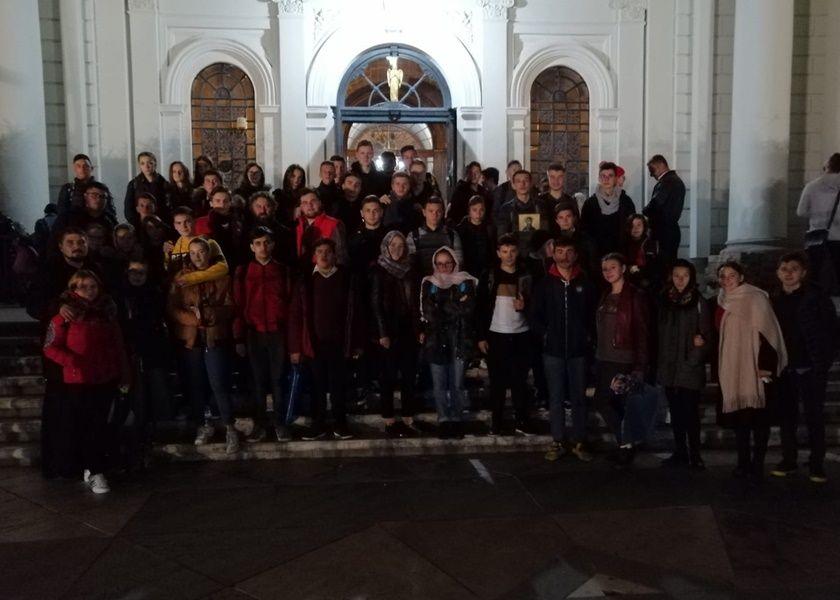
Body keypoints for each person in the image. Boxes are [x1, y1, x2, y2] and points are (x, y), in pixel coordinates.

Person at [43, 270, 128, 494]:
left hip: (105, 377)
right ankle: (94, 469)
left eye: (93, 286)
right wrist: (72, 362)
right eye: (83, 287)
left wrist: (123, 372)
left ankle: (96, 466)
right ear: (74, 289)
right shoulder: (65, 315)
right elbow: (50, 347)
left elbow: (118, 346)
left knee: (100, 424)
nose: (89, 291)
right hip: (79, 380)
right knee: (85, 425)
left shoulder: (107, 314)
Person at [715, 261, 787, 482]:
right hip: (732, 367)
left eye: (732, 275)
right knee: (740, 420)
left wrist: (765, 366)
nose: (727, 280)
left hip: (755, 368)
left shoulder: (756, 298)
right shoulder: (721, 300)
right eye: (723, 276)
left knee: (759, 419)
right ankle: (743, 462)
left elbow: (769, 333)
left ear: (741, 277)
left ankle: (757, 464)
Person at [167, 237, 239, 453]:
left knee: (219, 382)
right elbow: (172, 307)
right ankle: (203, 424)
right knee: (196, 383)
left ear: (209, 253)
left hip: (214, 336)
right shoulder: (181, 278)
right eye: (193, 253)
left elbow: (231, 306)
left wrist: (209, 315)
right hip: (191, 338)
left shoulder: (222, 277)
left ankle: (230, 426)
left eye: (201, 252)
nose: (197, 256)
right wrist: (193, 319)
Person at [288, 238, 364, 440]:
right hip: (314, 343)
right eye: (319, 251)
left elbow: (356, 312)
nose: (323, 255)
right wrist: (295, 347)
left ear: (334, 255)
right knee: (317, 386)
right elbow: (296, 315)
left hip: (340, 343)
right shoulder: (305, 280)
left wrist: (357, 343)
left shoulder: (346, 278)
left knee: (339, 385)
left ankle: (340, 423)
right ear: (314, 255)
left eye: (328, 251)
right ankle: (318, 424)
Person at [770, 252, 837, 483]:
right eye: (784, 268)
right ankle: (789, 459)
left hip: (811, 367)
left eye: (794, 269)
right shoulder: (774, 299)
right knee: (786, 416)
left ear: (803, 272)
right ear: (778, 273)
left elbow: (832, 331)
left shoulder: (817, 298)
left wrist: (822, 361)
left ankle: (816, 463)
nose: (788, 273)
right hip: (785, 367)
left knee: (814, 416)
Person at [531, 238, 597, 462]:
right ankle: (557, 440)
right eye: (560, 251)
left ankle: (580, 440)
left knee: (578, 397)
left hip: (579, 351)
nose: (564, 256)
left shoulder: (586, 283)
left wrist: (588, 337)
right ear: (553, 254)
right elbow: (535, 315)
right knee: (556, 397)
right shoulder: (544, 284)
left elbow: (593, 314)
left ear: (575, 255)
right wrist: (546, 335)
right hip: (553, 351)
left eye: (569, 252)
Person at [233, 226, 293, 443]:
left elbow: (290, 303)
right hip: (254, 333)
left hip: (278, 333)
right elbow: (238, 305)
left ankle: (279, 423)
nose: (262, 247)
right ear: (251, 247)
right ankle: (259, 424)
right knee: (257, 381)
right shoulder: (243, 272)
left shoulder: (283, 270)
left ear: (273, 244)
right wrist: (239, 338)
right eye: (258, 243)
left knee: (278, 380)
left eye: (266, 242)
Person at [594, 253, 650, 467]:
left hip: (622, 358)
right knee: (611, 403)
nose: (608, 272)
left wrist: (640, 365)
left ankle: (627, 443)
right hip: (604, 356)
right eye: (605, 268)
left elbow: (642, 332)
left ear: (623, 268)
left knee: (603, 401)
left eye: (613, 267)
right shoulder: (606, 294)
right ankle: (624, 444)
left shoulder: (635, 296)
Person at [115, 259, 171, 468]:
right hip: (131, 354)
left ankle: (149, 439)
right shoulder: (120, 297)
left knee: (154, 396)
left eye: (142, 272)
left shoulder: (154, 294)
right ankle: (136, 443)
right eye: (133, 272)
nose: (137, 276)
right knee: (136, 400)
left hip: (153, 353)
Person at [477, 235, 535, 436]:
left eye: (512, 251)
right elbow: (480, 306)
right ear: (498, 253)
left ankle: (522, 420)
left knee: (520, 381)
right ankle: (496, 422)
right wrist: (481, 336)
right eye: (504, 251)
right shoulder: (489, 275)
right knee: (497, 383)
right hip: (496, 335)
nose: (509, 255)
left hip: (521, 335)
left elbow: (537, 304)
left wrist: (525, 305)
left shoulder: (527, 274)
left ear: (517, 252)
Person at [657, 259, 711, 470]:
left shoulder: (699, 302)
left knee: (690, 413)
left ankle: (695, 454)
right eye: (676, 275)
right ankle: (680, 451)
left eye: (685, 275)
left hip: (689, 368)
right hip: (669, 367)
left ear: (691, 278)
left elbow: (706, 335)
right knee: (676, 413)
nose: (680, 280)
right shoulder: (664, 300)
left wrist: (694, 358)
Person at [420, 247, 478, 439]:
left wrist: (442, 305)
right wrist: (455, 303)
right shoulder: (429, 283)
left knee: (457, 383)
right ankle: (444, 419)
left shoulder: (465, 281)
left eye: (448, 263)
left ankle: (456, 419)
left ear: (455, 263)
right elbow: (428, 311)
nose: (444, 267)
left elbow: (468, 309)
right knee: (439, 383)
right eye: (440, 264)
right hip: (436, 340)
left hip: (459, 339)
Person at [370, 231, 421, 437]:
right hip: (389, 329)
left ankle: (408, 417)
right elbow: (375, 303)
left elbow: (416, 301)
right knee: (388, 376)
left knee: (409, 375)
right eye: (393, 245)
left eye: (401, 246)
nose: (397, 250)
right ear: (386, 247)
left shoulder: (411, 270)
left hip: (408, 328)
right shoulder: (378, 270)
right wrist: (382, 333)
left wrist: (418, 329)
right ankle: (389, 419)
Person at [796, 152, 840, 289]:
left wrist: (818, 216)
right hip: (838, 237)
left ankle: (816, 297)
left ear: (827, 166)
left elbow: (801, 212)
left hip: (817, 236)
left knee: (815, 272)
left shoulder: (812, 186)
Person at [581, 162, 636, 258]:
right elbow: (585, 231)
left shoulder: (626, 201)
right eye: (603, 176)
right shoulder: (590, 204)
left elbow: (631, 228)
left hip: (621, 254)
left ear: (615, 179)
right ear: (599, 178)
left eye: (610, 176)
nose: (606, 179)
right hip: (597, 256)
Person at [163, 206, 229, 284]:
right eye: (179, 223)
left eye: (187, 221)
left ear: (194, 221)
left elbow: (223, 268)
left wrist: (190, 278)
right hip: (178, 290)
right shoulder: (172, 246)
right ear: (175, 226)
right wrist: (167, 255)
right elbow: (168, 270)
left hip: (202, 288)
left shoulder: (209, 242)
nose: (183, 226)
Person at [51, 181, 117, 254]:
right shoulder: (69, 217)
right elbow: (54, 242)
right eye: (94, 195)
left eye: (102, 196)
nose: (98, 199)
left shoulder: (110, 220)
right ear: (85, 196)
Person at [645, 155, 685, 271]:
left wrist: (645, 211)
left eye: (652, 170)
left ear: (661, 165)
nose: (651, 174)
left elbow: (656, 204)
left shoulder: (667, 181)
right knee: (668, 265)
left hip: (662, 232)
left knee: (661, 267)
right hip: (670, 230)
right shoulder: (676, 181)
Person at [408, 196, 463, 277]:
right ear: (424, 212)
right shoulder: (413, 236)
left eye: (438, 211)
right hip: (421, 280)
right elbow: (410, 264)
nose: (434, 215)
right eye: (431, 211)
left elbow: (459, 263)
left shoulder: (452, 235)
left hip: (447, 280)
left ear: (443, 212)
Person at [295, 189, 347, 269]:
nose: (309, 205)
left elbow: (340, 256)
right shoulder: (296, 225)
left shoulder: (334, 224)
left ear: (319, 202)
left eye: (313, 201)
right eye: (305, 203)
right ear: (301, 207)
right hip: (300, 271)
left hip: (325, 272)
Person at [241, 191, 295, 268]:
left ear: (273, 207)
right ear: (252, 208)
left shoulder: (284, 232)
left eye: (267, 206)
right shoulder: (245, 232)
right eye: (258, 206)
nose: (263, 210)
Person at [498, 170, 546, 255]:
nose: (522, 184)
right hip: (515, 255)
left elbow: (546, 232)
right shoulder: (506, 209)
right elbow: (502, 237)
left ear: (531, 184)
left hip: (538, 254)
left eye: (525, 181)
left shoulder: (541, 205)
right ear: (513, 185)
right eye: (518, 181)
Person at [194, 186, 243, 268]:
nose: (222, 204)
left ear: (230, 203)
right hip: (212, 266)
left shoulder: (238, 222)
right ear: (211, 203)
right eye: (218, 201)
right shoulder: (201, 223)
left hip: (236, 264)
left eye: (225, 201)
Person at [55, 153, 116, 218]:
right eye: (78, 166)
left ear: (91, 168)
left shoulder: (101, 189)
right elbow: (61, 213)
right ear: (74, 169)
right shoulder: (68, 189)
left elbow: (110, 212)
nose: (82, 169)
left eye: (86, 166)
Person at [550, 204, 599, 278]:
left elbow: (593, 266)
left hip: (582, 278)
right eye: (561, 217)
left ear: (574, 218)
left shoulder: (587, 239)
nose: (565, 220)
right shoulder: (551, 240)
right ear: (557, 221)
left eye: (568, 216)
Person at [124, 152, 170, 226]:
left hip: (160, 224)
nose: (146, 166)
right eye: (142, 163)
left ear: (155, 164)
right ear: (139, 166)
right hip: (139, 224)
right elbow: (128, 209)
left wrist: (160, 223)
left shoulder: (164, 184)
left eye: (150, 163)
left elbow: (168, 206)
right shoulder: (134, 184)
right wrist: (137, 223)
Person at [456, 195, 496, 278]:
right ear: (469, 211)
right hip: (467, 270)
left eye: (481, 210)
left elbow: (492, 249)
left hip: (485, 270)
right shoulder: (461, 230)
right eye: (474, 210)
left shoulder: (489, 228)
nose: (478, 213)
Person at [622, 214, 659, 293]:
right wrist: (629, 268)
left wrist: (639, 270)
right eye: (632, 226)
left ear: (644, 227)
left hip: (647, 279)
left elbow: (653, 265)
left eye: (639, 225)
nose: (635, 228)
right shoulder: (624, 244)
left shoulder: (651, 243)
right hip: (628, 277)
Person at [447, 161, 489, 226]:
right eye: (471, 172)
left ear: (480, 174)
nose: (474, 175)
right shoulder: (460, 190)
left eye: (476, 172)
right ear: (468, 174)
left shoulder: (484, 192)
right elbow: (453, 211)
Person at [492, 160, 523, 225]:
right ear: (507, 172)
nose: (517, 173)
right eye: (514, 170)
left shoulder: (527, 188)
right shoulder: (501, 190)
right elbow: (495, 213)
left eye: (519, 170)